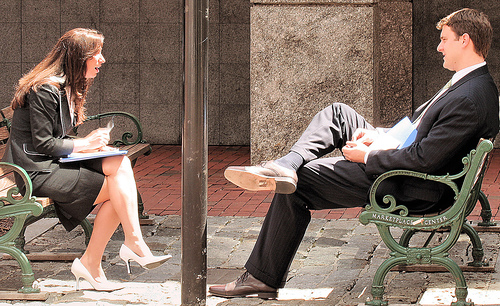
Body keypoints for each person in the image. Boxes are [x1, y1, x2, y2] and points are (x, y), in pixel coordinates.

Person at [209, 8, 499, 299]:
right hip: (410, 163)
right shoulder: (472, 83)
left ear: (465, 40)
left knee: (301, 182)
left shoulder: (468, 98)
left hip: (412, 186)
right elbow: (419, 133)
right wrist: (380, 137)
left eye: (444, 39)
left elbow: (424, 160)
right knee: (338, 114)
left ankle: (263, 277)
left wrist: (368, 157)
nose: (439, 47)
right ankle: (286, 163)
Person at [2, 28, 171, 291]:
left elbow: (55, 140)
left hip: (52, 163)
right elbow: (44, 144)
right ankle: (119, 251)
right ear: (79, 57)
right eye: (96, 54)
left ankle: (112, 253)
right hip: (35, 171)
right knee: (119, 190)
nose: (102, 59)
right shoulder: (46, 89)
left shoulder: (66, 87)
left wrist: (89, 146)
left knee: (120, 164)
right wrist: (84, 144)